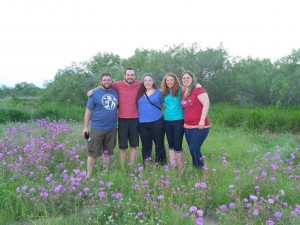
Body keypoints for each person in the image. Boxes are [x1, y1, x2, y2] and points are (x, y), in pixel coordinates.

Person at [88, 68, 142, 166]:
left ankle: (132, 166)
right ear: (124, 76)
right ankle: (122, 167)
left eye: (132, 75)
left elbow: (150, 86)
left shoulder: (139, 84)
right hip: (122, 119)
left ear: (134, 76)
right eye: (128, 75)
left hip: (135, 119)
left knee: (133, 145)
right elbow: (105, 85)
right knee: (122, 146)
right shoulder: (117, 85)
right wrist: (92, 90)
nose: (130, 77)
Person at [82, 73, 119, 178]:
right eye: (104, 80)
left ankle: (105, 172)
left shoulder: (116, 92)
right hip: (97, 128)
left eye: (108, 79)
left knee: (107, 152)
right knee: (93, 152)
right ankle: (89, 174)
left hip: (112, 128)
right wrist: (85, 126)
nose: (107, 81)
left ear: (111, 80)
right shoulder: (94, 93)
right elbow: (88, 110)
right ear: (101, 81)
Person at [181, 70, 210, 169]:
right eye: (184, 78)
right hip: (187, 126)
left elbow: (206, 104)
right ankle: (196, 169)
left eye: (188, 78)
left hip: (200, 126)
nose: (186, 80)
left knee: (194, 149)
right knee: (192, 150)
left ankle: (202, 169)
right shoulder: (183, 91)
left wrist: (202, 120)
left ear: (192, 79)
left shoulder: (199, 90)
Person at [137, 73, 166, 165]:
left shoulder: (159, 92)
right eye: (145, 80)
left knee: (159, 144)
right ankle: (147, 165)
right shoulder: (139, 93)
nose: (147, 82)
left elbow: (174, 92)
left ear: (153, 81)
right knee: (146, 145)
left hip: (157, 121)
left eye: (149, 80)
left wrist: (197, 85)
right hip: (142, 123)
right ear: (143, 82)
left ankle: (161, 164)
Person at [161, 73, 184, 171]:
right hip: (167, 121)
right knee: (171, 145)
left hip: (179, 120)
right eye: (167, 80)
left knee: (177, 145)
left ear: (175, 80)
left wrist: (198, 85)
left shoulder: (180, 90)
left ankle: (180, 168)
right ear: (165, 82)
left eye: (171, 80)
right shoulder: (163, 92)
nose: (169, 82)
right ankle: (173, 167)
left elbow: (191, 88)